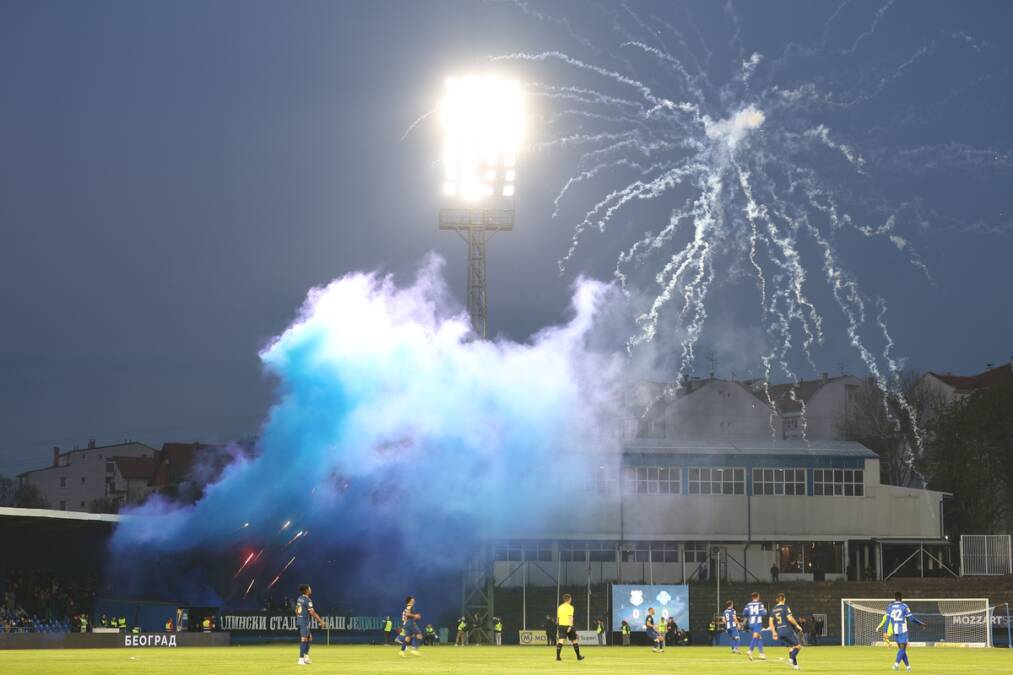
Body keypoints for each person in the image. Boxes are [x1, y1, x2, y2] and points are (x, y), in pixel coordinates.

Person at [878, 592, 926, 672]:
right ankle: (896, 664)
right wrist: (920, 624)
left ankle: (908, 667)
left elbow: (887, 620)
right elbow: (911, 619)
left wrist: (885, 631)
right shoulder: (904, 606)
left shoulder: (890, 607)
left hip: (895, 630)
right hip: (903, 630)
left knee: (902, 650)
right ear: (901, 598)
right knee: (903, 649)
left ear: (894, 597)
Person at [769, 593, 803, 671]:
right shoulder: (785, 607)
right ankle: (791, 659)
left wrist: (773, 632)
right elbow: (789, 618)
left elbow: (770, 622)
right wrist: (797, 625)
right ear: (784, 599)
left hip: (779, 631)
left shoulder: (773, 609)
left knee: (791, 648)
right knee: (798, 646)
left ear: (778, 600)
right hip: (787, 629)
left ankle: (795, 665)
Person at [295, 584, 324, 666]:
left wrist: (299, 617)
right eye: (309, 588)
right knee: (304, 639)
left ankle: (306, 657)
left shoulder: (299, 598)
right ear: (306, 590)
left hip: (301, 621)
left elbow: (296, 610)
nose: (311, 589)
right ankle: (301, 659)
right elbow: (312, 613)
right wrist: (320, 621)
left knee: (309, 638)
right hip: (304, 621)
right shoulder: (308, 600)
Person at [555, 593, 584, 661]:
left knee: (561, 641)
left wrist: (558, 627)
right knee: (574, 641)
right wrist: (570, 626)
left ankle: (558, 657)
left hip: (561, 626)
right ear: (569, 599)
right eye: (570, 598)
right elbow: (570, 617)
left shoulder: (560, 607)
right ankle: (578, 656)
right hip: (568, 625)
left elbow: (558, 618)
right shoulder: (570, 607)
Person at [744, 591, 768, 661]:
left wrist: (750, 615)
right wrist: (765, 611)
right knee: (755, 637)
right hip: (757, 623)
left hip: (751, 623)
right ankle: (750, 651)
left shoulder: (748, 605)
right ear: (758, 597)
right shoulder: (760, 604)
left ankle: (762, 654)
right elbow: (763, 613)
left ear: (752, 597)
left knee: (759, 637)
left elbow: (744, 613)